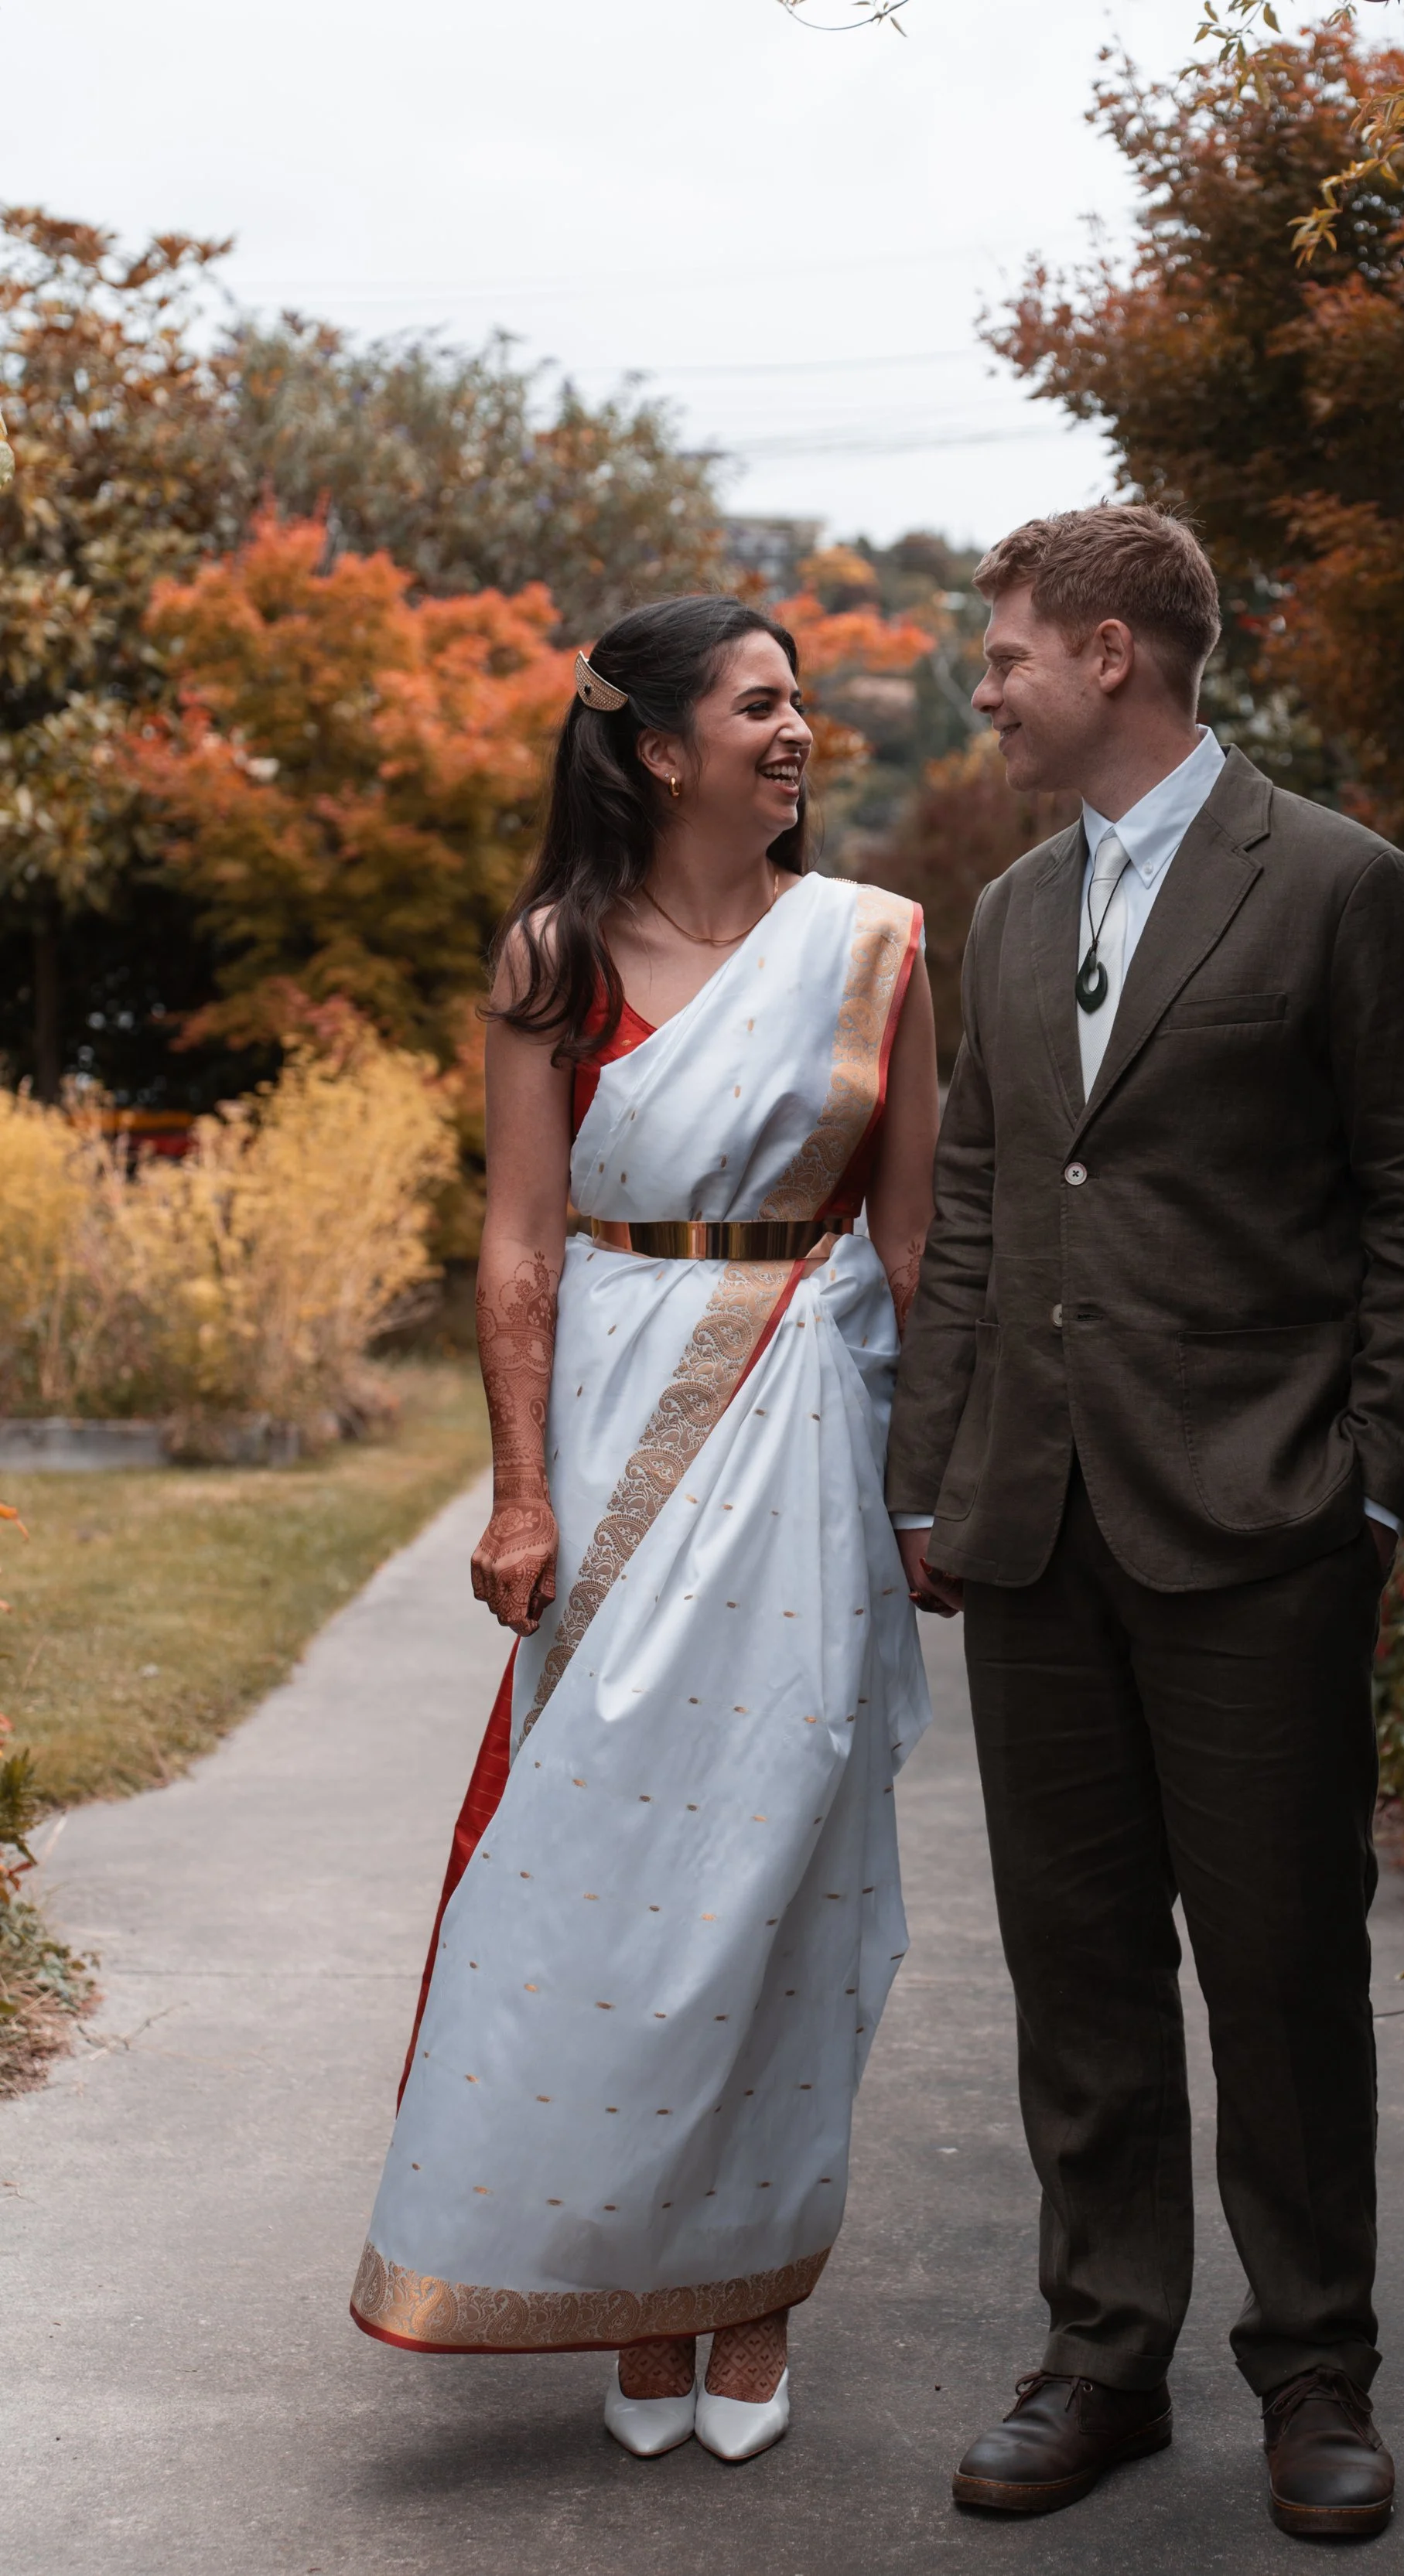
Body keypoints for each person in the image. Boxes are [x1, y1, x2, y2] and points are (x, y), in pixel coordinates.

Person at [886, 506, 1404, 2538]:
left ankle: (1316, 2374)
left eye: (1006, 653)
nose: (985, 685)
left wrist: (1373, 1484)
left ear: (1118, 652)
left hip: (1263, 1532)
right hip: (1035, 1531)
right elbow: (973, 1201)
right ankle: (1099, 2359)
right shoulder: (1000, 912)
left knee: (1284, 1969)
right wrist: (933, 1467)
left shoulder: (1338, 888)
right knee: (1075, 1970)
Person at [350, 595, 938, 2468]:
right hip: (616, 1423)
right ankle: (618, 2269)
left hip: (812, 1419)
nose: (797, 731)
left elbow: (917, 1246)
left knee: (783, 1863)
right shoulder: (552, 953)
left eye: (802, 705)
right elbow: (521, 1239)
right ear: (657, 749)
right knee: (600, 1869)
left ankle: (746, 2294)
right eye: (759, 705)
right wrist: (520, 1490)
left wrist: (932, 1485)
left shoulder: (874, 951)